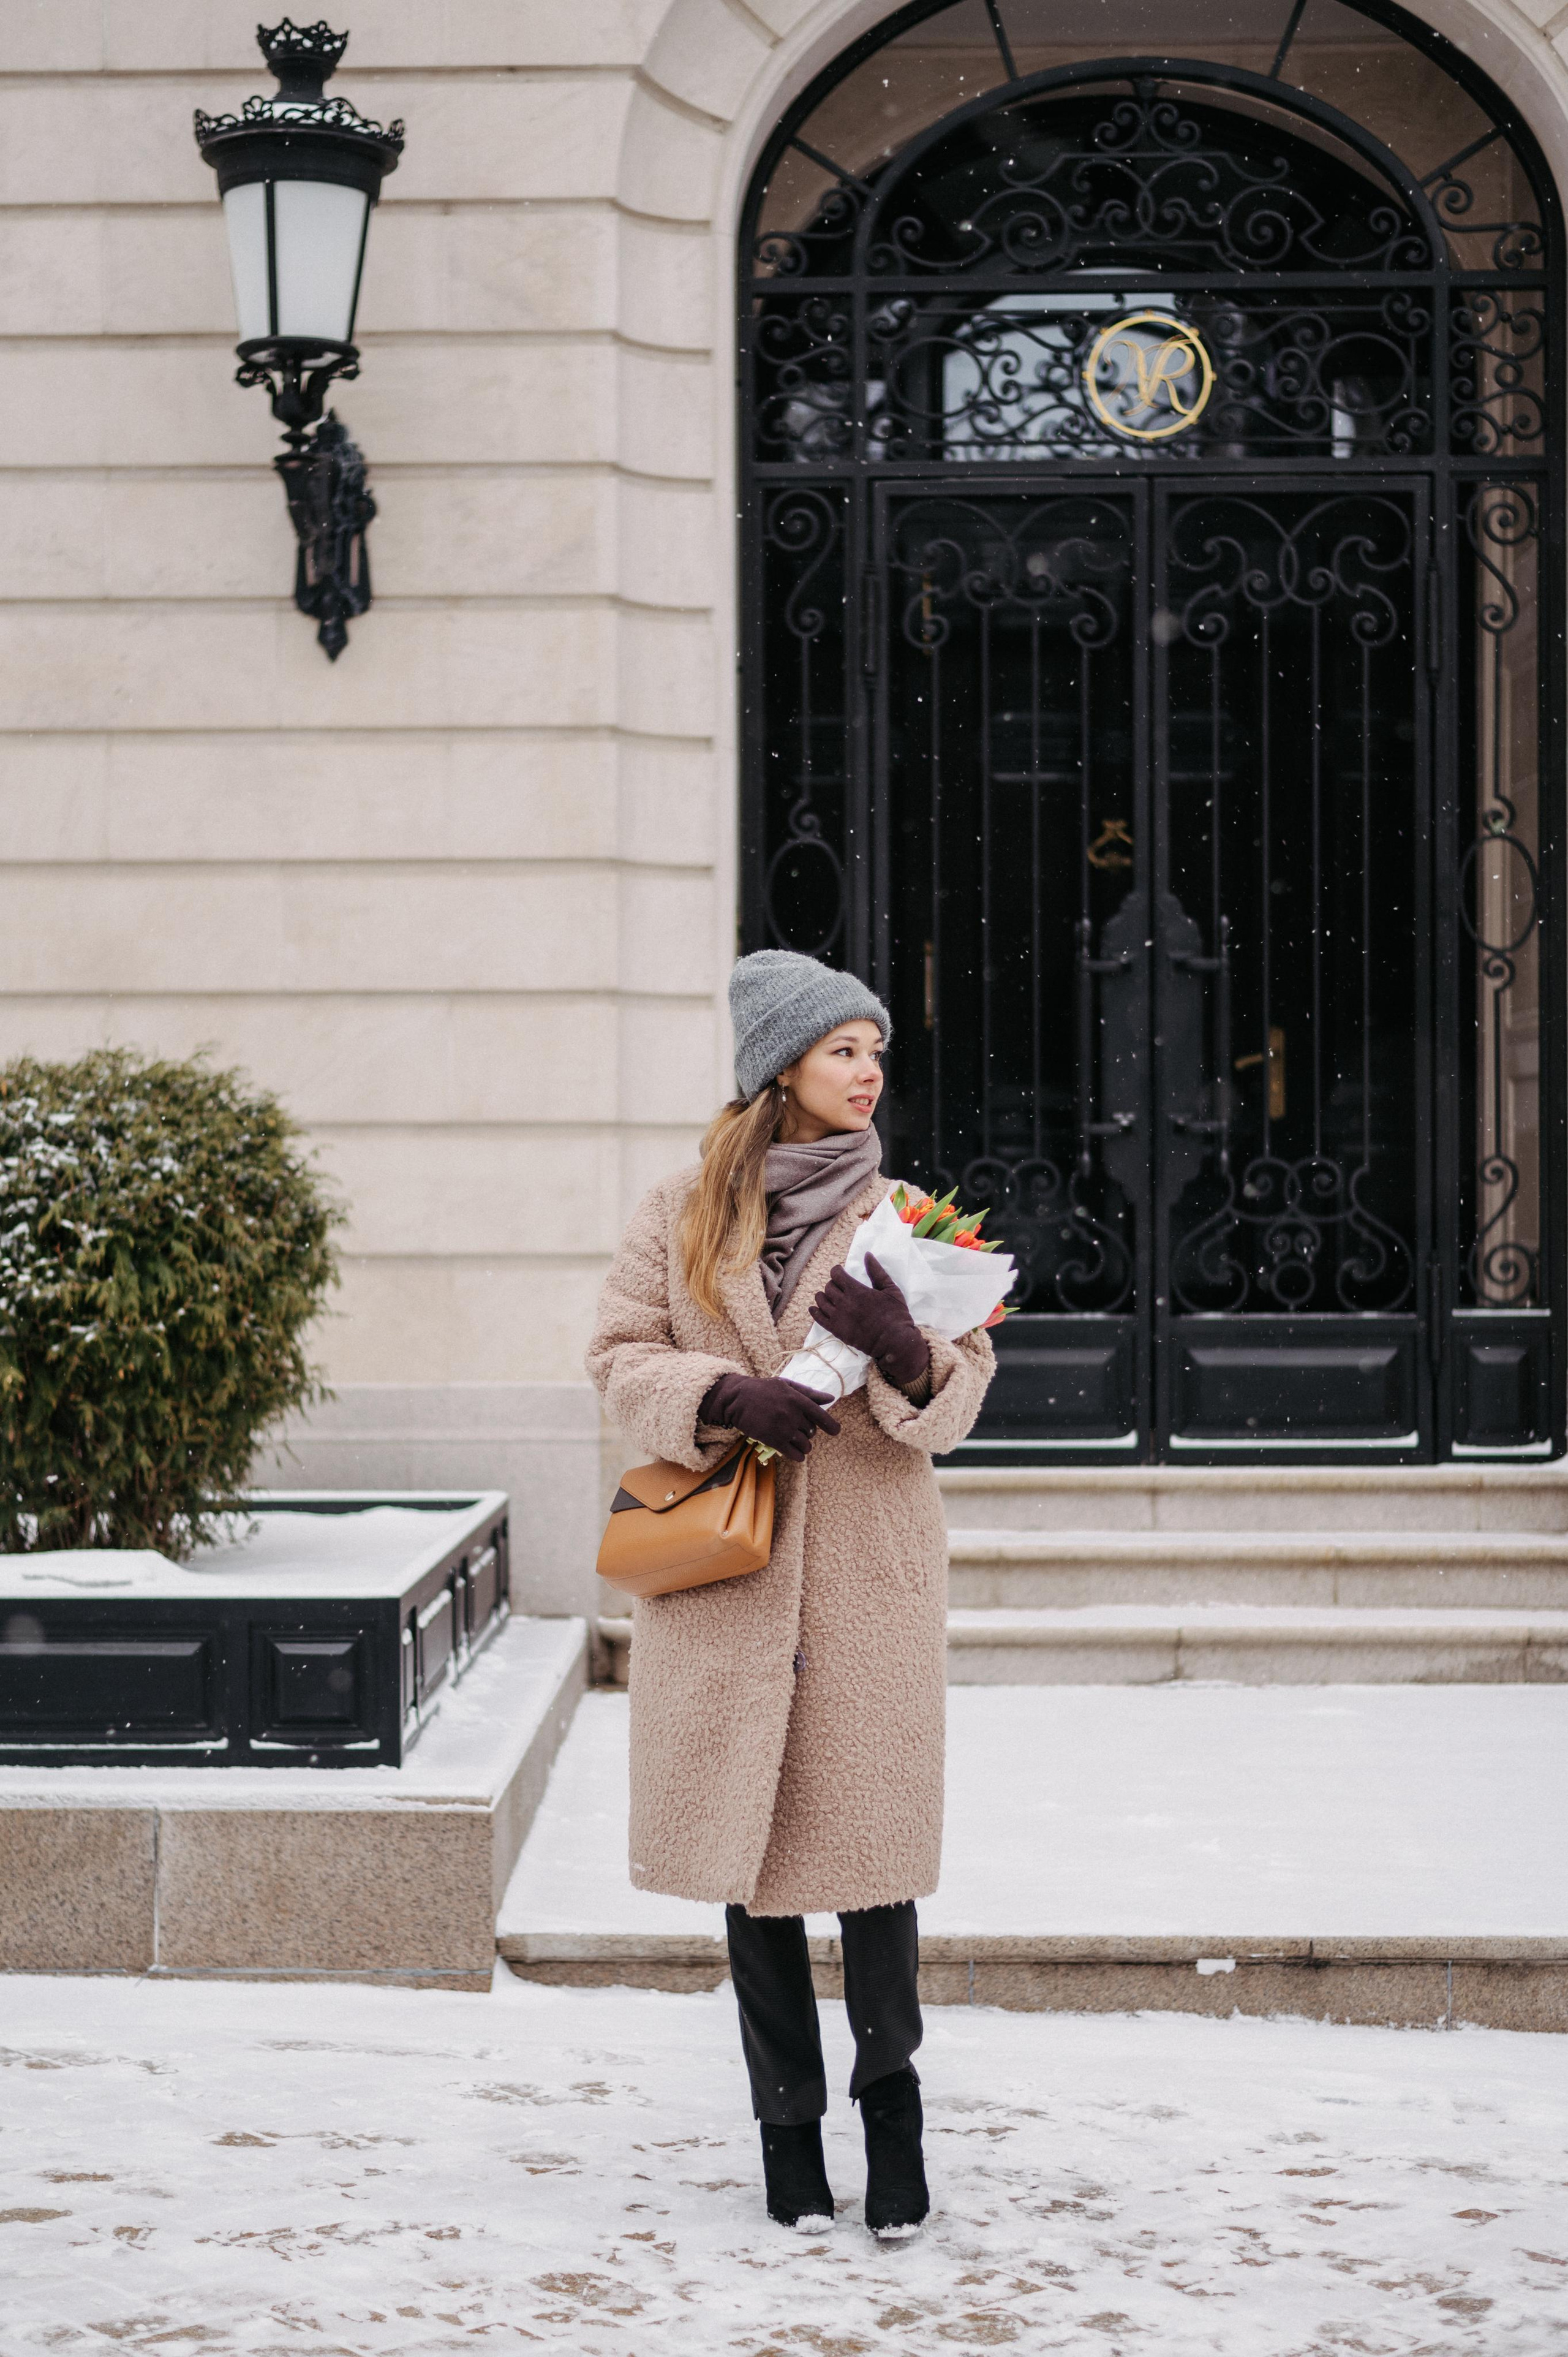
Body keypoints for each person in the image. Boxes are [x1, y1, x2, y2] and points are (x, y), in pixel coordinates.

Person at [587, 948, 996, 2239]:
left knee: (874, 1869)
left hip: (863, 1579)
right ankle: (784, 2130)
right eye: (842, 1050)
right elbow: (613, 1353)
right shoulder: (680, 1211)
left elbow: (960, 1400)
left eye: (876, 1050)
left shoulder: (910, 1219)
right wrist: (716, 1395)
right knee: (748, 1868)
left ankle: (892, 2116)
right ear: (780, 1067)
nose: (870, 1073)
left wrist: (912, 1360)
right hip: (725, 1578)